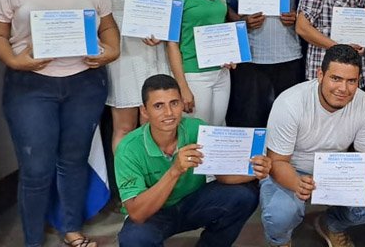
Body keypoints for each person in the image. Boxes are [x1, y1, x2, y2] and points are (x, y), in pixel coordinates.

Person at [0, 0, 120, 247]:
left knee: (73, 161)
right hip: (31, 87)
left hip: (84, 83)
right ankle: (32, 240)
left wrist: (110, 51)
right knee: (35, 169)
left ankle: (71, 229)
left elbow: (107, 27)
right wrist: (16, 62)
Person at [116, 74, 271, 246]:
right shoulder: (128, 148)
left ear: (182, 104)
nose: (168, 113)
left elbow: (223, 177)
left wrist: (256, 171)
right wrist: (174, 171)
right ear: (144, 111)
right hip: (155, 214)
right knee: (134, 239)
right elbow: (137, 214)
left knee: (244, 195)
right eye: (158, 106)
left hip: (193, 203)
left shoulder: (197, 128)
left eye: (174, 103)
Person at [261, 45, 365, 247]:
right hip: (291, 167)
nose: (343, 89)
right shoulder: (290, 103)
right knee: (281, 213)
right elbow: (277, 161)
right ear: (320, 75)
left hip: (336, 170)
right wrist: (297, 183)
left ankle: (331, 223)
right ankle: (280, 241)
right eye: (336, 78)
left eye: (351, 81)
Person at [91, 0, 173, 152]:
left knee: (159, 125)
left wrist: (162, 31)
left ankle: (156, 186)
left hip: (159, 55)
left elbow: (173, 5)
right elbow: (96, 12)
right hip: (124, 55)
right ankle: (128, 187)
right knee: (125, 127)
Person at [163, 0, 231, 126]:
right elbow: (172, 44)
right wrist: (182, 86)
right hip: (194, 74)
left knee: (217, 131)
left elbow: (221, 28)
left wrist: (230, 53)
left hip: (221, 73)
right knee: (197, 135)